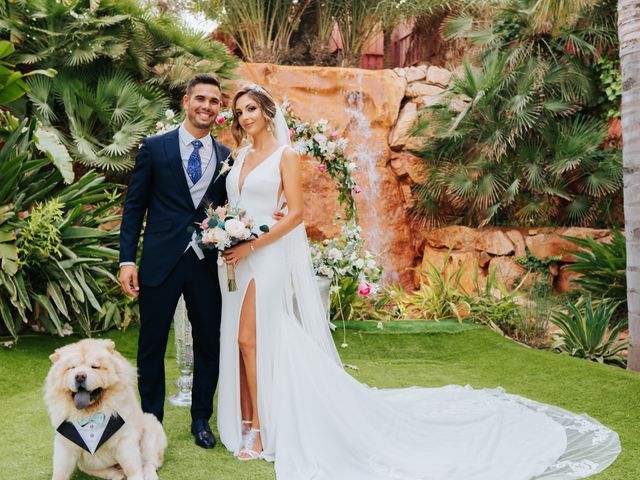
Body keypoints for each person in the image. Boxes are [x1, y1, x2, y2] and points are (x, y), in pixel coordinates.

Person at [219, 83, 621, 479]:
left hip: (264, 256)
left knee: (249, 340)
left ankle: (259, 429)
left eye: (251, 109)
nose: (245, 117)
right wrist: (226, 233)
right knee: (247, 341)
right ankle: (246, 418)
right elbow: (241, 206)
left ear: (267, 111)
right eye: (239, 112)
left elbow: (296, 216)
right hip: (238, 258)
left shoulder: (285, 155)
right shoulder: (240, 156)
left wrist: (252, 245)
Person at [119, 73, 229, 449]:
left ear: (220, 107)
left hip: (204, 264)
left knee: (207, 343)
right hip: (160, 259)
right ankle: (151, 424)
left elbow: (227, 210)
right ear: (186, 101)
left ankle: (201, 419)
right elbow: (134, 207)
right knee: (151, 344)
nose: (206, 106)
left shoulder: (227, 157)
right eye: (200, 99)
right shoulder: (155, 146)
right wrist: (126, 261)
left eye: (214, 101)